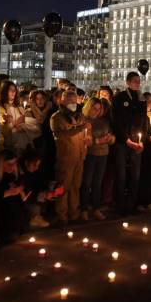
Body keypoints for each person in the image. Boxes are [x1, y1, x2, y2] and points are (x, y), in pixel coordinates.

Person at [51, 90, 90, 226]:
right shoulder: (56, 118)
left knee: (75, 186)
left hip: (79, 157)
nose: (73, 104)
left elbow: (86, 133)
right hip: (65, 158)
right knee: (62, 187)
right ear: (62, 101)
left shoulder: (80, 116)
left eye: (75, 101)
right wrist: (79, 129)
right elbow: (61, 134)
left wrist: (88, 139)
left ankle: (74, 213)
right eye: (70, 101)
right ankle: (61, 215)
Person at [111, 72, 146, 214]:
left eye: (139, 81)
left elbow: (143, 122)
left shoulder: (141, 98)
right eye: (134, 81)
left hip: (137, 142)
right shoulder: (120, 98)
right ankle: (119, 205)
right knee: (121, 174)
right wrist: (126, 139)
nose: (137, 83)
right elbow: (116, 121)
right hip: (122, 141)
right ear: (128, 82)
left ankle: (132, 204)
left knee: (135, 174)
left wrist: (142, 140)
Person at [81, 97, 115, 220]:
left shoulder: (104, 121)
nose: (96, 111)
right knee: (87, 182)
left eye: (98, 109)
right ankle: (84, 209)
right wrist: (98, 140)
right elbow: (84, 140)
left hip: (103, 154)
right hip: (90, 154)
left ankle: (96, 208)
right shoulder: (84, 120)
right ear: (88, 107)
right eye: (94, 108)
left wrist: (110, 139)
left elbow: (112, 136)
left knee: (98, 183)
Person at [0, 80, 39, 154]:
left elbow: (22, 120)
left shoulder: (18, 107)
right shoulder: (1, 107)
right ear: (5, 91)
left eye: (14, 90)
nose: (13, 92)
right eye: (10, 90)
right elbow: (4, 128)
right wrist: (14, 123)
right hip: (12, 138)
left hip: (23, 132)